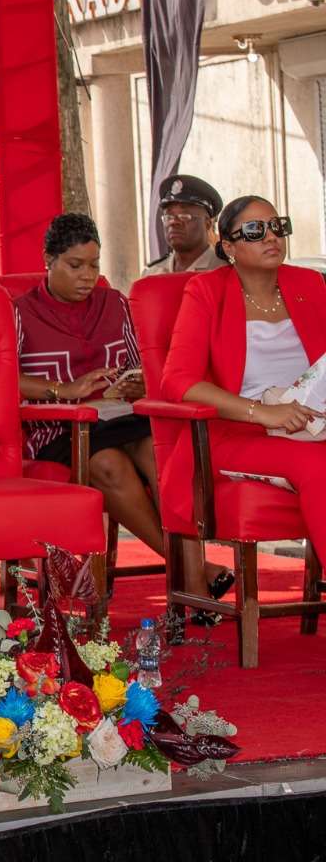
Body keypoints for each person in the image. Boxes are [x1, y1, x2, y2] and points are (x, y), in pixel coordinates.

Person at [13, 214, 230, 610]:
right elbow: (0, 379)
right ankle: (193, 575)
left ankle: (192, 579)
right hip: (60, 430)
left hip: (124, 414)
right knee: (110, 465)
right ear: (49, 260)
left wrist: (140, 383)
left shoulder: (114, 303)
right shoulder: (21, 312)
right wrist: (66, 390)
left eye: (94, 265)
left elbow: (144, 363)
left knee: (157, 450)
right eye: (75, 266)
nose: (87, 276)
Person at [162, 196, 326, 584]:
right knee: (317, 465)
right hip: (235, 431)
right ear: (229, 246)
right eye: (255, 230)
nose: (271, 237)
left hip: (311, 423)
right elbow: (178, 381)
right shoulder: (206, 291)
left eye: (277, 226)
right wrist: (262, 412)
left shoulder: (309, 283)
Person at [140, 174, 223, 278]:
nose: (173, 222)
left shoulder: (223, 272)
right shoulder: (151, 274)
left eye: (184, 216)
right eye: (168, 217)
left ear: (207, 224)